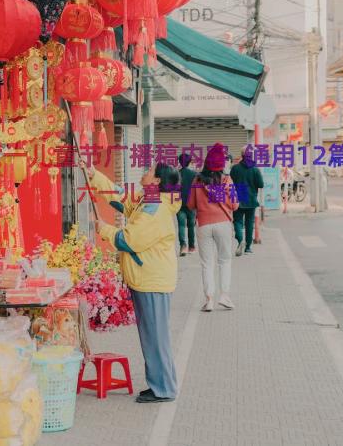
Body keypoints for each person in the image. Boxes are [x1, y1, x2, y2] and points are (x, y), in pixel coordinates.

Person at [87, 162, 181, 404]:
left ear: (157, 181)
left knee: (156, 337)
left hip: (152, 281)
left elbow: (130, 240)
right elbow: (122, 198)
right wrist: (95, 176)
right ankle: (161, 384)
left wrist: (104, 229)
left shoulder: (155, 209)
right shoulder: (147, 200)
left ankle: (163, 389)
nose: (145, 172)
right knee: (153, 336)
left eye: (150, 170)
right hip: (146, 278)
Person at [187, 143, 239, 312]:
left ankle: (209, 299)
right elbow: (235, 205)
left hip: (203, 225)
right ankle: (224, 296)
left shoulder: (197, 180)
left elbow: (190, 204)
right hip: (223, 223)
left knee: (207, 263)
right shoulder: (227, 180)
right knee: (224, 260)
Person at [230, 145, 264, 256]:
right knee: (249, 224)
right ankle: (248, 247)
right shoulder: (255, 169)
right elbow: (261, 184)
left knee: (238, 222)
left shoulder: (235, 168)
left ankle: (240, 241)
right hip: (251, 200)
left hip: (238, 199)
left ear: (242, 155)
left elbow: (230, 184)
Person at [176, 153, 197, 256]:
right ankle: (192, 247)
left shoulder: (176, 174)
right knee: (191, 226)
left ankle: (183, 246)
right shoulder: (194, 174)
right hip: (191, 204)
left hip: (179, 204)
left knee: (181, 225)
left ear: (179, 162)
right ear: (189, 162)